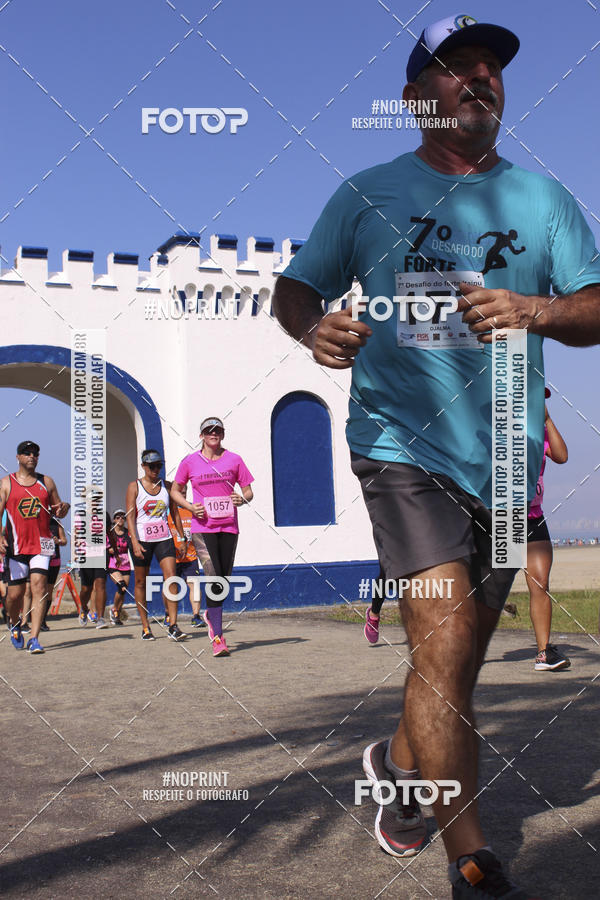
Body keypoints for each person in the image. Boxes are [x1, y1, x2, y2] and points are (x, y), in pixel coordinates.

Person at [272, 14, 600, 898]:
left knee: (451, 661)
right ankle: (473, 857)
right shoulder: (367, 192)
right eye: (459, 68)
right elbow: (295, 284)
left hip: (501, 455)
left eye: (492, 69)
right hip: (398, 446)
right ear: (418, 94)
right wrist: (315, 328)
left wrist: (535, 312)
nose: (481, 79)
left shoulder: (544, 201)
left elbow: (596, 307)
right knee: (447, 637)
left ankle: (398, 767)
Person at [171, 417, 254, 657]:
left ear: (223, 435)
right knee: (213, 577)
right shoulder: (190, 462)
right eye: (209, 431)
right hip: (202, 528)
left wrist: (243, 498)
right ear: (201, 436)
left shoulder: (234, 460)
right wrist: (189, 506)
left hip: (228, 526)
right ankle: (218, 637)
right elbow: (175, 491)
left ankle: (209, 613)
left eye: (217, 431)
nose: (213, 434)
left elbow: (248, 489)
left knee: (224, 580)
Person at [0, 440, 70, 653]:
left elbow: (58, 511)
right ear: (18, 457)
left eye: (35, 453)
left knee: (39, 587)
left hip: (42, 544)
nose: (32, 456)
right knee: (14, 596)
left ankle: (34, 638)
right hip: (17, 546)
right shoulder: (6, 483)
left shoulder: (46, 482)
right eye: (27, 453)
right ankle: (14, 623)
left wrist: (63, 508)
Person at [526, 388, 570, 671]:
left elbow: (562, 455)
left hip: (533, 518)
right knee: (484, 589)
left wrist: (547, 419)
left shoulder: (538, 432)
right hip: (499, 518)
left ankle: (544, 653)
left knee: (540, 583)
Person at [125, 449, 188, 641]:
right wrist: (134, 541)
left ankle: (173, 625)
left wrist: (182, 538)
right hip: (142, 539)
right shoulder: (134, 486)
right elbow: (130, 516)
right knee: (140, 582)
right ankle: (145, 627)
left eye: (158, 466)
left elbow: (175, 513)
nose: (155, 470)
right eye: (151, 466)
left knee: (171, 577)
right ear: (143, 466)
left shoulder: (167, 487)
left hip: (163, 537)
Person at [167, 506, 210, 628]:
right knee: (170, 585)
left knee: (194, 585)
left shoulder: (192, 510)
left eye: (185, 491)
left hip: (190, 556)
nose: (183, 494)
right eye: (180, 492)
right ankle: (168, 615)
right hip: (172, 556)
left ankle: (196, 616)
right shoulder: (168, 511)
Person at [41, 517, 68, 631]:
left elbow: (64, 541)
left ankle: (42, 619)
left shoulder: (57, 523)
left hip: (54, 561)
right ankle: (31, 616)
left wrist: (59, 541)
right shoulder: (38, 520)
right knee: (37, 590)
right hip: (40, 560)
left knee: (48, 591)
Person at [107, 509, 131, 626]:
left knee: (123, 590)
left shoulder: (128, 532)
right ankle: (115, 611)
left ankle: (116, 611)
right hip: (113, 563)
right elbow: (105, 547)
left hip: (126, 564)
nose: (120, 519)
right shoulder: (110, 533)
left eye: (122, 517)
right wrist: (112, 550)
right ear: (114, 520)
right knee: (121, 586)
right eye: (118, 517)